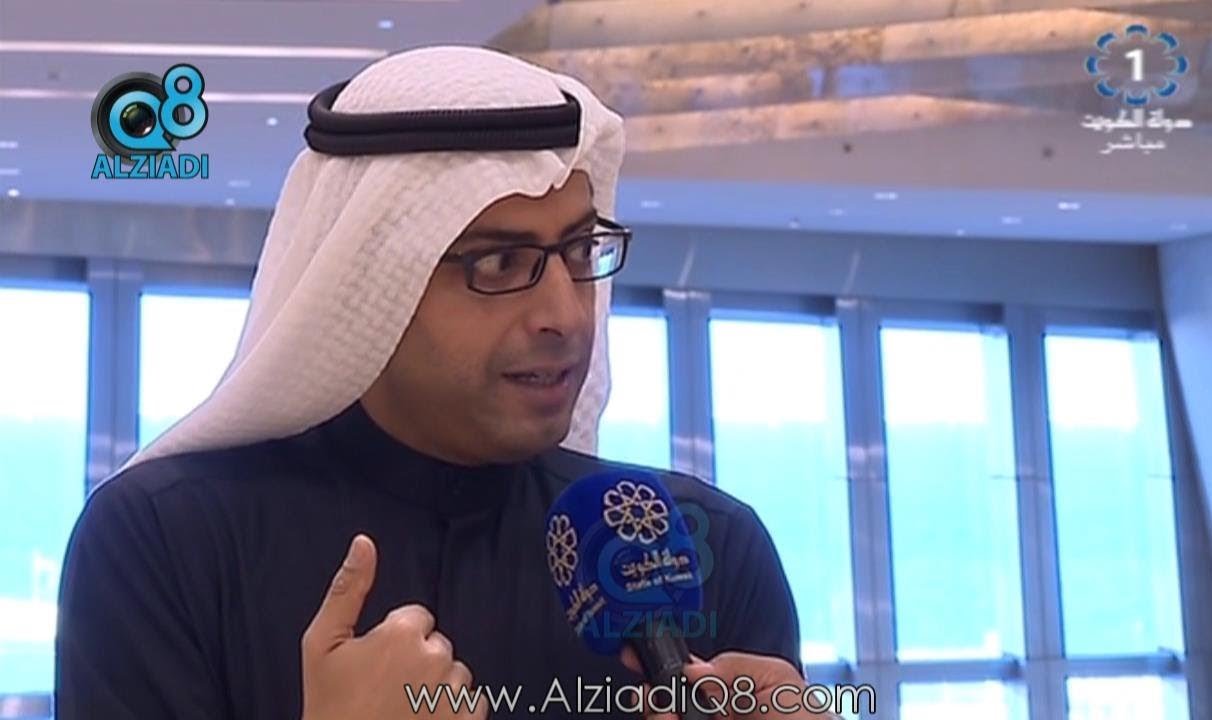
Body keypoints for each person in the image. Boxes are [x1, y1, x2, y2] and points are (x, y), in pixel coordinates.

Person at [54, 45, 819, 720]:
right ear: (371, 286)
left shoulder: (704, 545)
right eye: (499, 263)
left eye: (580, 250)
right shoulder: (167, 543)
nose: (565, 315)